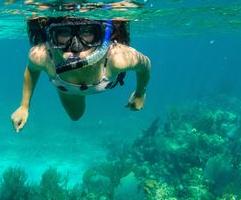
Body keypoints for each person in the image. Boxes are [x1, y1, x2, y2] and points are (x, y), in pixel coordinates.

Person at [10, 16, 151, 132]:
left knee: (75, 115)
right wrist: (24, 106)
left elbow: (145, 65)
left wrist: (140, 93)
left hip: (75, 85)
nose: (76, 46)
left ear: (101, 34)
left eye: (87, 31)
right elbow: (32, 70)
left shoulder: (118, 57)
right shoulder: (43, 56)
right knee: (75, 116)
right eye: (64, 33)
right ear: (52, 35)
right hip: (68, 90)